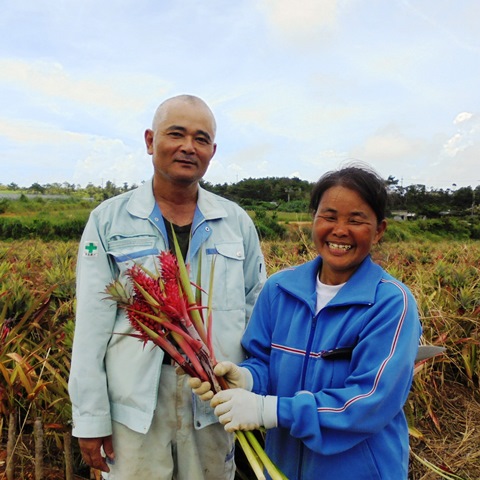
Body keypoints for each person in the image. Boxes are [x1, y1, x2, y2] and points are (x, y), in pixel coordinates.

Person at [68, 94, 266, 480]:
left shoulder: (236, 223)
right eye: (176, 134)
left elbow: (255, 312)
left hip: (212, 396)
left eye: (201, 138)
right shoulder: (109, 220)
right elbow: (90, 325)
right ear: (149, 141)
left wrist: (250, 392)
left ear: (212, 151)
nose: (188, 146)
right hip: (134, 405)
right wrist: (90, 419)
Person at [191, 164, 422, 480]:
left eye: (356, 220)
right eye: (329, 216)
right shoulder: (279, 289)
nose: (340, 230)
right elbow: (263, 363)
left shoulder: (390, 302)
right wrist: (246, 379)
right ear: (313, 219)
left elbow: (369, 401)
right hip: (281, 465)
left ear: (379, 230)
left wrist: (269, 410)